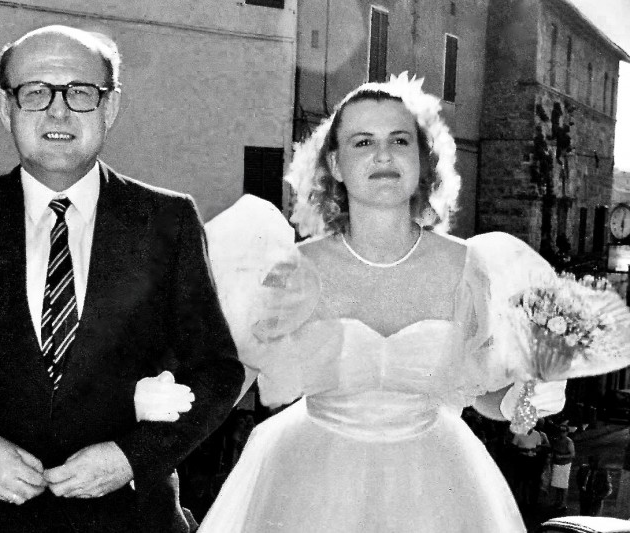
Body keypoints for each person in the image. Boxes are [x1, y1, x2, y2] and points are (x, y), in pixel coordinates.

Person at [0, 25, 243, 532]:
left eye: (80, 92)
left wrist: (131, 457)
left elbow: (218, 372)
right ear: (5, 107)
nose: (58, 112)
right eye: (35, 92)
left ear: (110, 106)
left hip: (131, 520)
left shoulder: (167, 221)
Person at [198, 74, 567, 532]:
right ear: (335, 164)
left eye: (399, 139)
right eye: (363, 142)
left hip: (436, 488)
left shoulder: (466, 267)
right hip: (310, 486)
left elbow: (483, 395)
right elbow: (230, 383)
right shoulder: (294, 270)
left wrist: (526, 398)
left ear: (422, 159)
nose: (383, 155)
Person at [550, 424, 576, 511]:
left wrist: (562, 457)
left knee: (564, 485)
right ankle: (558, 500)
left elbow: (572, 454)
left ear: (567, 432)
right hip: (557, 464)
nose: (562, 433)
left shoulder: (569, 442)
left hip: (565, 464)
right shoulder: (556, 440)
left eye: (564, 431)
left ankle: (563, 503)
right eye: (560, 431)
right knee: (557, 484)